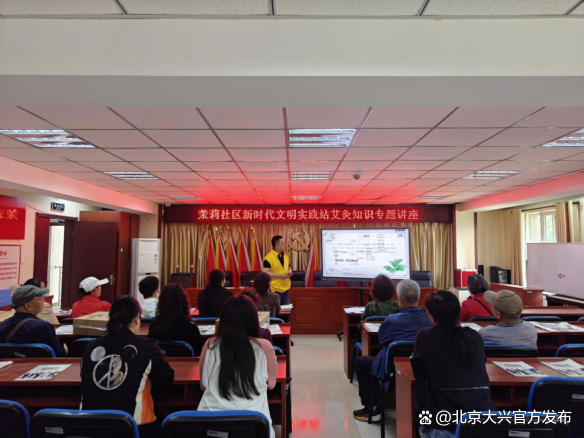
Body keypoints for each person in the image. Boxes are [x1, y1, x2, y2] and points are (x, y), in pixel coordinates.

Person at [81, 296, 174, 438]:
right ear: (137, 318)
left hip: (90, 429)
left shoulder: (90, 348)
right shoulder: (147, 348)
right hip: (133, 429)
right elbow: (167, 379)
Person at [411, 291, 492, 438]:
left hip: (441, 425)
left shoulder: (425, 336)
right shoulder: (475, 336)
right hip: (479, 425)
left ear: (431, 316)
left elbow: (418, 373)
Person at [353, 280, 434, 422]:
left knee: (361, 362)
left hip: (393, 370)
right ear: (418, 297)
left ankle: (371, 408)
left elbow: (381, 339)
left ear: (400, 298)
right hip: (425, 370)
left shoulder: (393, 320)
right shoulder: (430, 318)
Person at [198, 295, 278, 438]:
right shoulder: (263, 346)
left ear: (223, 320)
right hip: (252, 427)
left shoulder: (210, 344)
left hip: (209, 426)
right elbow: (271, 384)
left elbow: (203, 385)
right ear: (253, 320)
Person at [0, 285, 66, 357]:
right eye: (40, 299)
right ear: (27, 306)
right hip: (40, 363)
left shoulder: (3, 325)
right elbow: (59, 354)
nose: (43, 301)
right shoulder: (43, 327)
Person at [148, 284, 204, 356]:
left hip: (161, 362)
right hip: (185, 363)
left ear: (161, 302)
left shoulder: (154, 326)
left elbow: (150, 350)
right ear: (183, 302)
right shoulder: (191, 328)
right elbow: (199, 353)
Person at [263, 235, 292, 305]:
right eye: (283, 244)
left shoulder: (285, 256)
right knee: (275, 310)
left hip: (286, 289)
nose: (284, 245)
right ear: (276, 246)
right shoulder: (268, 258)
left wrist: (289, 272)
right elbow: (265, 273)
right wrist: (279, 276)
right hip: (275, 290)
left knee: (286, 311)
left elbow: (289, 267)